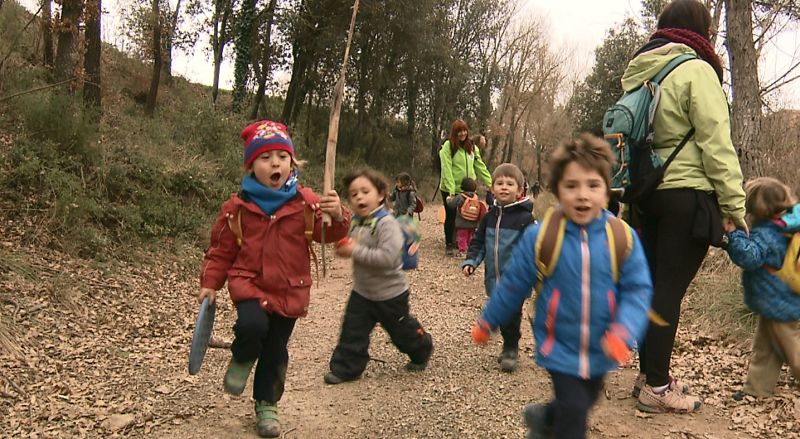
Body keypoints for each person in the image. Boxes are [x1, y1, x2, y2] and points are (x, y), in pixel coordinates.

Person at [471, 134, 653, 439]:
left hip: (603, 344)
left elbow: (638, 289)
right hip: (560, 344)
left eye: (593, 186)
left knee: (586, 399)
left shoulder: (621, 237)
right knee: (575, 412)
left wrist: (624, 330)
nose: (583, 195)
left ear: (607, 190)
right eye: (572, 186)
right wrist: (489, 319)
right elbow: (513, 284)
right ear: (557, 190)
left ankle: (544, 417)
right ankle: (556, 421)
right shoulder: (542, 237)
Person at [622, 0, 747, 413]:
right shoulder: (696, 70)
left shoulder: (641, 71)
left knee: (654, 286)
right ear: (702, 29)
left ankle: (648, 375)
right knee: (667, 292)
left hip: (646, 194)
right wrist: (734, 205)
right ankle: (656, 387)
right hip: (686, 195)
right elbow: (717, 144)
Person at [197, 121, 351, 438]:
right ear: (252, 165)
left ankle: (267, 402)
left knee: (276, 349)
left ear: (292, 163)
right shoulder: (236, 209)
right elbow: (221, 250)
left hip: (289, 289)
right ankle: (242, 356)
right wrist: (210, 283)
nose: (276, 163)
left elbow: (329, 234)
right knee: (252, 327)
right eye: (266, 157)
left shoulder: (306, 203)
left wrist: (338, 215)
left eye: (282, 156)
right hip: (249, 283)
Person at [324, 168, 434, 385]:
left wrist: (354, 251)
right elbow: (342, 231)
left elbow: (389, 259)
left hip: (391, 295)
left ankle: (422, 347)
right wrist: (343, 244)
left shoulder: (387, 224)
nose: (359, 197)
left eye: (365, 191)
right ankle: (346, 367)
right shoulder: (357, 221)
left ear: (381, 195)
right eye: (354, 194)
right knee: (352, 329)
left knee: (401, 332)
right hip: (362, 292)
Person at [724, 177, 800, 400]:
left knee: (792, 349)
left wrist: (733, 235)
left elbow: (750, 257)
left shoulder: (766, 233)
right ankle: (757, 389)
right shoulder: (786, 226)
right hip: (778, 300)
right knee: (765, 349)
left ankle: (757, 389)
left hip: (778, 301)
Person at [462, 163, 533, 372]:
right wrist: (471, 262)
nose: (504, 187)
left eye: (510, 184)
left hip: (516, 281)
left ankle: (511, 347)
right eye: (499, 183)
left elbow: (533, 247)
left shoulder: (525, 218)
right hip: (493, 278)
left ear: (520, 191)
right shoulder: (488, 217)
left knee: (512, 314)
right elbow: (478, 242)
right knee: (500, 309)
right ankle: (498, 333)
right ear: (492, 189)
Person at [439, 119, 492, 256]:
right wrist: (451, 190)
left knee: (469, 215)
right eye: (459, 131)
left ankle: (464, 241)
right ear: (454, 133)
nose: (462, 134)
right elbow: (446, 169)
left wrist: (491, 184)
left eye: (464, 130)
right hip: (450, 187)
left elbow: (480, 167)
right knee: (451, 216)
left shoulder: (472, 148)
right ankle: (449, 244)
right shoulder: (448, 146)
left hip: (468, 188)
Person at [446, 177, 483, 257]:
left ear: (462, 186)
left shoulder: (461, 197)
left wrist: (448, 199)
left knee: (462, 237)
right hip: (473, 222)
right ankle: (471, 251)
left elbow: (452, 205)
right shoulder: (475, 197)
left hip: (462, 222)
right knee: (470, 237)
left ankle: (463, 251)